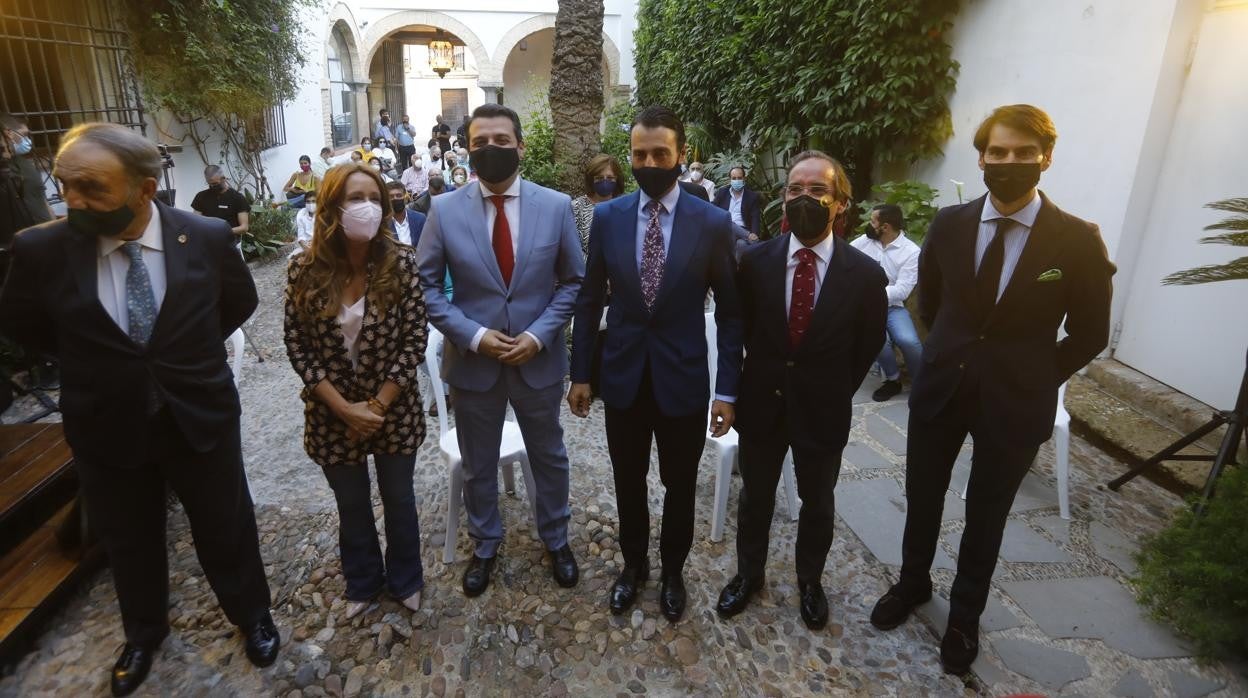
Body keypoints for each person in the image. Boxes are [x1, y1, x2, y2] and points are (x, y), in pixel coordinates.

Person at [0, 122, 277, 696]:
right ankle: (143, 632)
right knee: (128, 535)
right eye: (65, 184)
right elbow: (26, 325)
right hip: (105, 422)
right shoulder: (41, 249)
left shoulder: (205, 236)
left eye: (91, 187)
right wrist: (109, 364)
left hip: (198, 414)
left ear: (145, 189)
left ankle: (252, 615)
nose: (73, 199)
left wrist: (181, 358)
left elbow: (238, 302)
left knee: (227, 525)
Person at [869, 104, 1116, 675]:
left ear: (1045, 159)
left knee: (987, 512)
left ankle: (965, 615)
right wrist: (943, 352)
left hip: (1016, 398)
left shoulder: (1077, 239)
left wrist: (1036, 373)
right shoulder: (950, 224)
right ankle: (912, 583)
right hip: (942, 388)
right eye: (997, 152)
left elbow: (1091, 333)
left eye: (1022, 153)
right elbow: (928, 301)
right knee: (923, 495)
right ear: (981, 158)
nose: (1008, 162)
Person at [568, 105, 742, 623]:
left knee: (681, 484)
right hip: (622, 377)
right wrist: (579, 373)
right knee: (627, 480)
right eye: (639, 154)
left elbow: (731, 317)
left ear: (681, 155)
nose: (649, 162)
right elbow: (589, 299)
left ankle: (672, 572)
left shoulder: (711, 223)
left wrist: (727, 392)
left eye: (660, 154)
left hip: (683, 380)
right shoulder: (608, 216)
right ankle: (633, 566)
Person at [416, 103, 585, 598]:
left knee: (549, 455)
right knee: (478, 462)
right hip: (474, 364)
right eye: (481, 142)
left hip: (538, 361)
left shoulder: (554, 206)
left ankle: (556, 538)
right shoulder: (444, 210)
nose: (491, 149)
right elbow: (426, 287)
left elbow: (573, 282)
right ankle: (485, 543)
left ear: (520, 147)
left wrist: (538, 335)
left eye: (501, 141)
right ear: (467, 148)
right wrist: (472, 334)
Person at [715, 150, 887, 629]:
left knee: (818, 502)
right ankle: (749, 575)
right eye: (795, 189)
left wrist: (830, 387)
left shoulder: (866, 276)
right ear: (782, 198)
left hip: (823, 410)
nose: (804, 198)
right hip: (762, 405)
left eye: (817, 191)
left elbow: (867, 346)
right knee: (755, 500)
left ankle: (810, 581)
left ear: (840, 204)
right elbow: (739, 330)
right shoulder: (754, 262)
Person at [284, 162, 428, 621]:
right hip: (331, 414)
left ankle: (406, 578)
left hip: (393, 409)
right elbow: (298, 345)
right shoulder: (302, 271)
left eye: (374, 199)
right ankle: (363, 580)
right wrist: (344, 408)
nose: (366, 207)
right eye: (354, 198)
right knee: (351, 504)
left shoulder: (402, 263)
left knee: (400, 499)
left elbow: (414, 340)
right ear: (330, 208)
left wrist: (378, 405)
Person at [851, 204, 923, 401]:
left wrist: (870, 293)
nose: (869, 224)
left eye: (873, 221)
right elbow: (845, 258)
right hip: (867, 309)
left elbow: (902, 290)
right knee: (877, 341)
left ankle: (921, 383)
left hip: (892, 308)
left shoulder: (911, 252)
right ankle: (893, 380)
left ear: (885, 227)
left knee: (909, 341)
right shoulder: (865, 241)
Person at [572, 154, 625, 255]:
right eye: (599, 178)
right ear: (591, 179)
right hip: (586, 269)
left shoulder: (625, 206)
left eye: (610, 178)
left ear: (617, 179)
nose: (605, 181)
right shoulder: (576, 207)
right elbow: (571, 248)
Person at [190, 165, 250, 245]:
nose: (212, 186)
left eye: (215, 183)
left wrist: (222, 232)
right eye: (209, 184)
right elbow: (195, 221)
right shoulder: (201, 197)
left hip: (229, 240)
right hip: (207, 240)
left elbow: (244, 228)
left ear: (223, 179)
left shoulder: (237, 198)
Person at [713, 166, 761, 241]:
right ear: (730, 180)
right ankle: (748, 236)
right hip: (725, 227)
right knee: (728, 222)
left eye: (739, 178)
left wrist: (755, 233)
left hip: (743, 229)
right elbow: (713, 208)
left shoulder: (752, 196)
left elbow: (755, 217)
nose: (737, 180)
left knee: (741, 244)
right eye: (734, 178)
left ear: (744, 179)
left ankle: (749, 237)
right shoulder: (722, 192)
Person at [386, 181, 426, 247]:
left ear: (405, 196)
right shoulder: (383, 223)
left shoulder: (420, 219)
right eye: (391, 196)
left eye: (398, 195)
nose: (395, 198)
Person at [293, 189, 317, 253]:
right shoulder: (301, 213)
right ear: (305, 203)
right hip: (306, 245)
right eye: (308, 202)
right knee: (293, 260)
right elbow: (301, 235)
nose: (310, 204)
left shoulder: (323, 214)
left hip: (320, 245)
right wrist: (306, 248)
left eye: (313, 201)